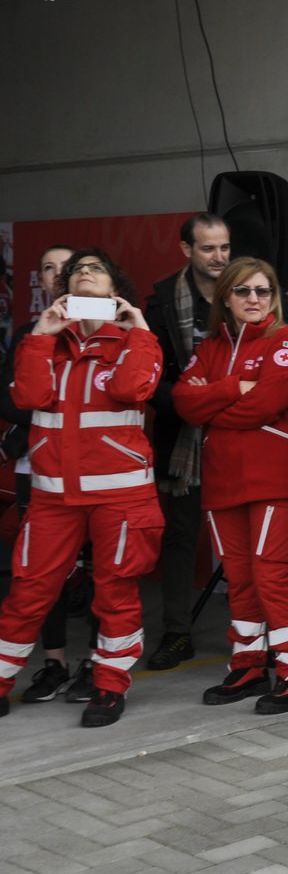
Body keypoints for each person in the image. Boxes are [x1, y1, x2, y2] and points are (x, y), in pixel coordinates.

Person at [0, 249, 165, 727]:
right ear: (64, 290)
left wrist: (140, 331)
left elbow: (133, 390)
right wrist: (40, 335)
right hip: (54, 496)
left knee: (115, 594)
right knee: (28, 592)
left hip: (121, 495)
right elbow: (28, 398)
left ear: (116, 290)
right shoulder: (45, 340)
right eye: (76, 271)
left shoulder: (135, 340)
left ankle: (110, 687)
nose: (84, 273)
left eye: (96, 268)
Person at [172, 258, 288, 715]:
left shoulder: (285, 340)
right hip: (223, 480)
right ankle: (249, 664)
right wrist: (236, 386)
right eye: (243, 291)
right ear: (226, 299)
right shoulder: (211, 347)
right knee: (239, 578)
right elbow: (183, 402)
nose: (254, 299)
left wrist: (213, 403)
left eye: (262, 290)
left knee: (269, 574)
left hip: (276, 478)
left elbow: (267, 403)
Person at [0, 244, 97, 704]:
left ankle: (98, 663)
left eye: (68, 268)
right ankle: (54, 663)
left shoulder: (103, 329)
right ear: (39, 280)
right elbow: (8, 398)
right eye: (48, 268)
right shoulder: (28, 332)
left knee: (101, 570)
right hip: (37, 469)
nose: (58, 276)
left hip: (98, 474)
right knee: (41, 573)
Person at [144, 213, 232, 670]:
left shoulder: (250, 290)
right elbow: (150, 375)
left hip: (241, 434)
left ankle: (259, 634)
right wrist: (188, 406)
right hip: (182, 439)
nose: (218, 257)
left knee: (249, 538)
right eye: (207, 248)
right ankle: (177, 633)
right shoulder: (161, 302)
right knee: (180, 536)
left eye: (223, 247)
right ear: (186, 251)